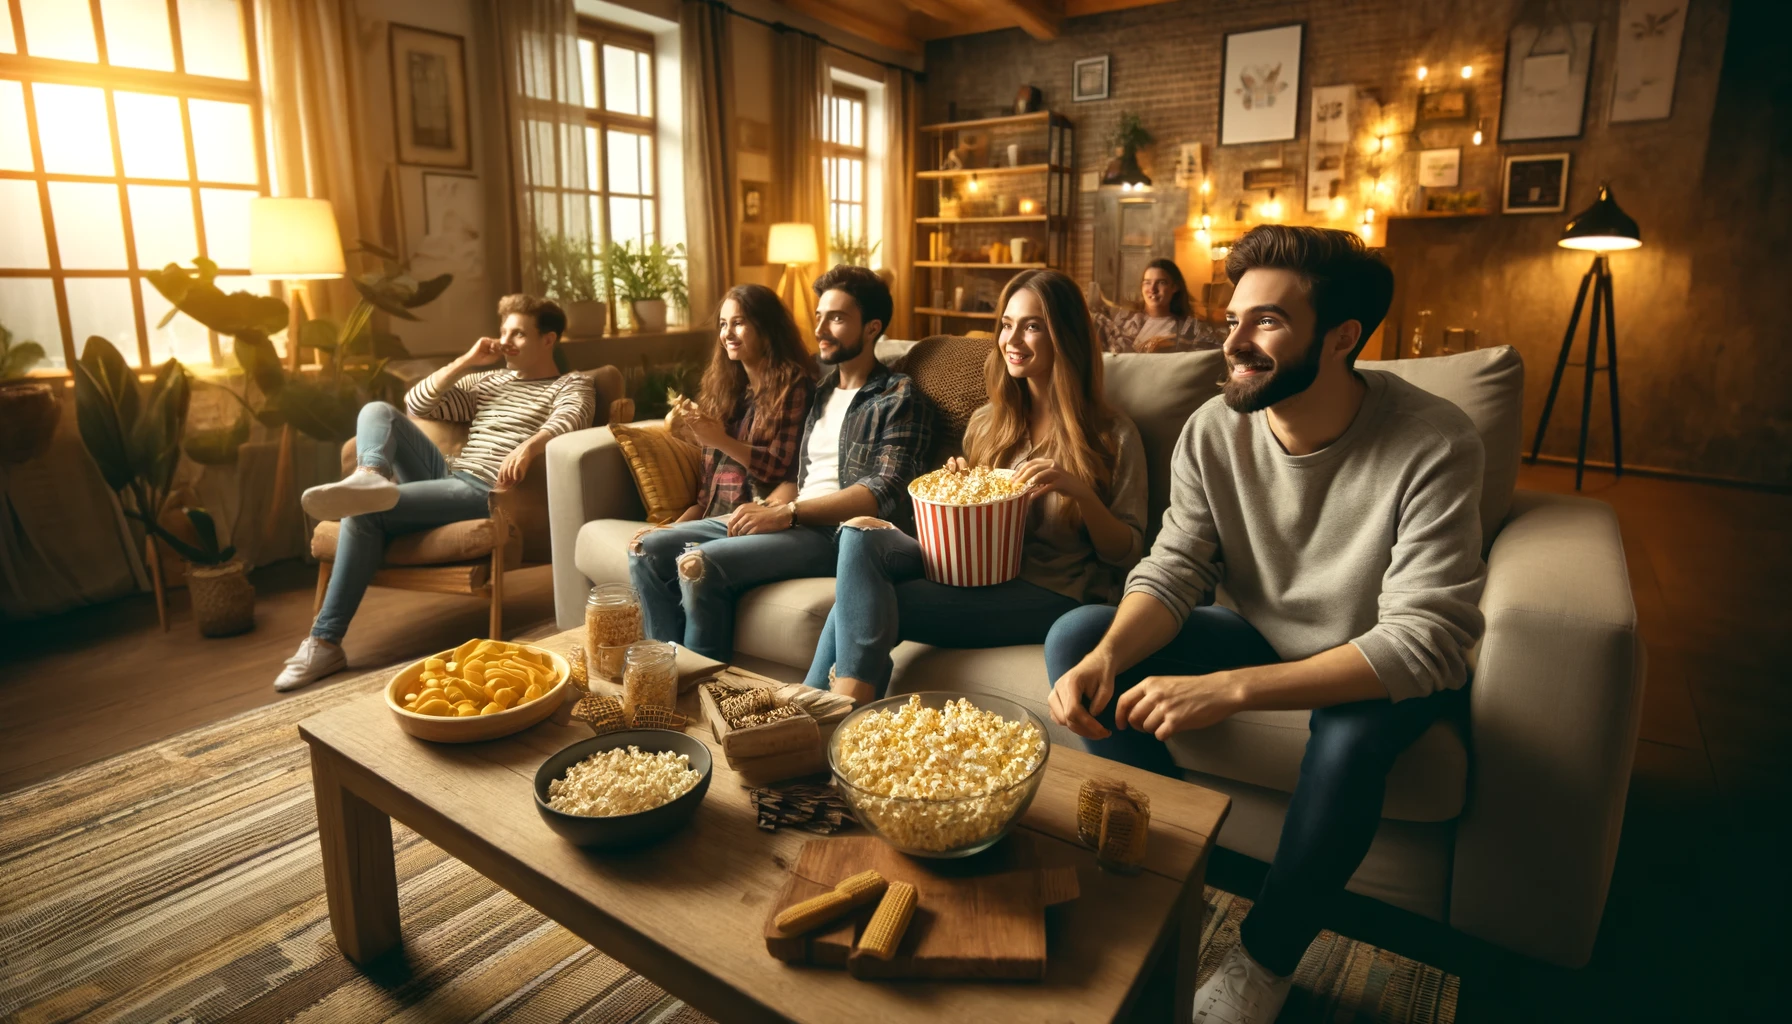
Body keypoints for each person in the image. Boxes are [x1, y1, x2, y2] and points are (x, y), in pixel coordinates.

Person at [1043, 226, 1486, 1024]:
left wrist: (1230, 689)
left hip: (1374, 660)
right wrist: (1112, 653)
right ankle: (1174, 881)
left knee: (1349, 736)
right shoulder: (1215, 428)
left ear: (1342, 337)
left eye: (1267, 322)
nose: (1233, 341)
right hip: (1262, 631)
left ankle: (1265, 961)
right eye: (1233, 315)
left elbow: (1425, 637)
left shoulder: (1435, 441)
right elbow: (1176, 567)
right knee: (1077, 639)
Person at [805, 269, 1146, 703]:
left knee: (855, 610)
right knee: (858, 532)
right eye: (1006, 325)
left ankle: (824, 712)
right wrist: (957, 490)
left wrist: (1078, 490)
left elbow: (1128, 551)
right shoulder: (989, 422)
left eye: (1033, 326)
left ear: (1066, 337)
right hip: (979, 575)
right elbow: (971, 536)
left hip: (1055, 590)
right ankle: (826, 713)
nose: (1012, 340)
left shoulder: (1112, 435)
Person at [277, 294, 595, 691]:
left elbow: (573, 416)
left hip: (485, 490)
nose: (506, 341)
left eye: (519, 333)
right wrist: (466, 361)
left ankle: (324, 641)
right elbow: (418, 404)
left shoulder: (571, 383)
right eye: (503, 332)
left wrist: (529, 446)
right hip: (447, 475)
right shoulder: (489, 381)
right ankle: (371, 473)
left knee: (364, 512)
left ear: (548, 340)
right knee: (379, 410)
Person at [628, 266, 932, 662]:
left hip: (838, 534)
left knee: (699, 564)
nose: (821, 329)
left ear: (872, 327)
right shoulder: (821, 392)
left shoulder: (898, 396)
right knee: (647, 550)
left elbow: (884, 492)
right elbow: (796, 474)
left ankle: (703, 689)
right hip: (793, 515)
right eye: (819, 316)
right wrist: (769, 507)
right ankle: (663, 673)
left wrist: (788, 513)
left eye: (837, 318)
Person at [664, 283, 817, 521]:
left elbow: (776, 466)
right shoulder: (726, 391)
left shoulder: (793, 385)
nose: (727, 334)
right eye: (723, 324)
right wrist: (668, 529)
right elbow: (705, 501)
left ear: (766, 329)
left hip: (754, 520)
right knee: (647, 543)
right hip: (713, 519)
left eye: (738, 323)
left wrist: (720, 440)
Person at [1088, 258, 1223, 353]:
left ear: (1175, 287)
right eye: (1147, 282)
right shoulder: (1124, 320)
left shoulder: (1191, 328)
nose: (1152, 289)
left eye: (1161, 282)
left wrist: (1178, 343)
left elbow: (1217, 350)